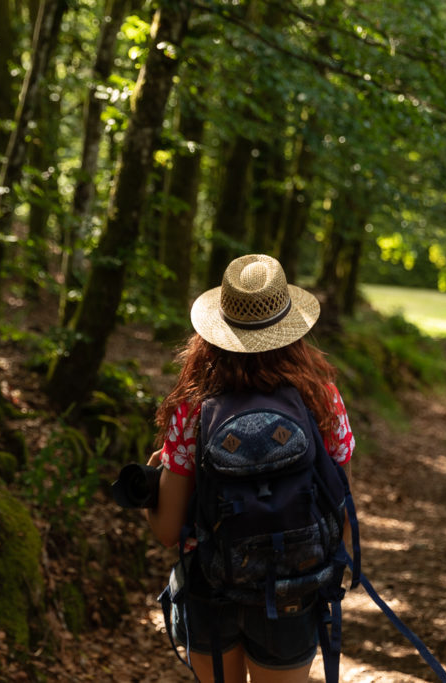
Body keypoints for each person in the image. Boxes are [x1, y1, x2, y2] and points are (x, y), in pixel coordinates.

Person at [145, 253, 355, 683]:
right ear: (291, 327)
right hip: (293, 590)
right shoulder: (323, 400)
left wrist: (152, 483)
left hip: (209, 589)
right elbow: (341, 507)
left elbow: (167, 531)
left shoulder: (192, 407)